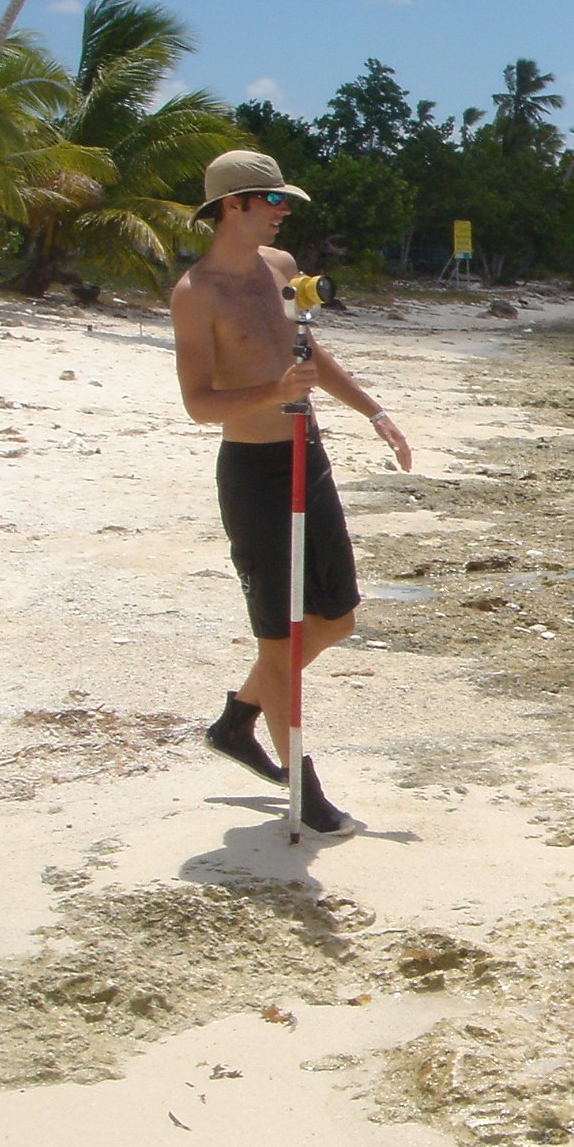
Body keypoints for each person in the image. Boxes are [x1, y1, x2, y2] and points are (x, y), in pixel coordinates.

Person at [169, 149, 413, 834]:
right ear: (232, 207)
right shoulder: (197, 294)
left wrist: (374, 411)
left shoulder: (280, 271)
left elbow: (309, 354)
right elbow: (197, 402)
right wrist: (273, 392)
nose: (283, 212)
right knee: (279, 642)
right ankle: (304, 792)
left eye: (283, 202)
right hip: (254, 475)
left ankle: (240, 717)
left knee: (336, 619)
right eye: (271, 202)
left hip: (310, 456)